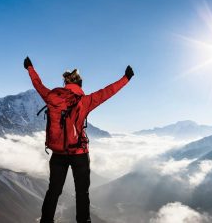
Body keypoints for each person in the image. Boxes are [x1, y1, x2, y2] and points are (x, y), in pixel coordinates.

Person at [23, 56, 134, 223]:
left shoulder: (52, 97)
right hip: (79, 153)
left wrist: (30, 68)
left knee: (53, 190)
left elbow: (38, 85)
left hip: (58, 152)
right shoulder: (85, 100)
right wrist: (126, 78)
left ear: (65, 84)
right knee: (82, 192)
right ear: (80, 85)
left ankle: (46, 220)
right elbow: (107, 92)